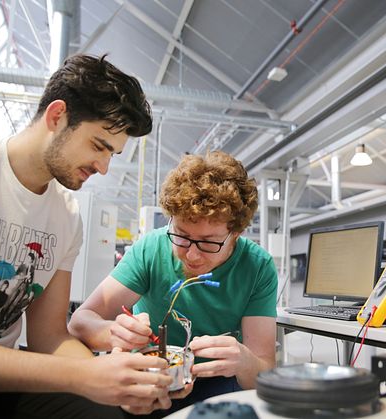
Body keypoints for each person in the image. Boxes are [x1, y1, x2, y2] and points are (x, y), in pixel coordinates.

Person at [0, 54, 183, 419]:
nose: (103, 167)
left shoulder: (67, 215)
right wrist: (83, 374)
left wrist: (115, 381)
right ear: (56, 117)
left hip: (7, 383)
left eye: (112, 154)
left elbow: (49, 337)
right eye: (99, 146)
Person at [68, 151, 278, 418]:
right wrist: (113, 332)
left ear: (237, 232)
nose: (191, 255)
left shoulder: (257, 266)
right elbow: (80, 322)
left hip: (216, 381)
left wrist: (245, 361)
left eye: (208, 242)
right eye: (181, 236)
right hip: (147, 375)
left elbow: (264, 374)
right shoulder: (152, 248)